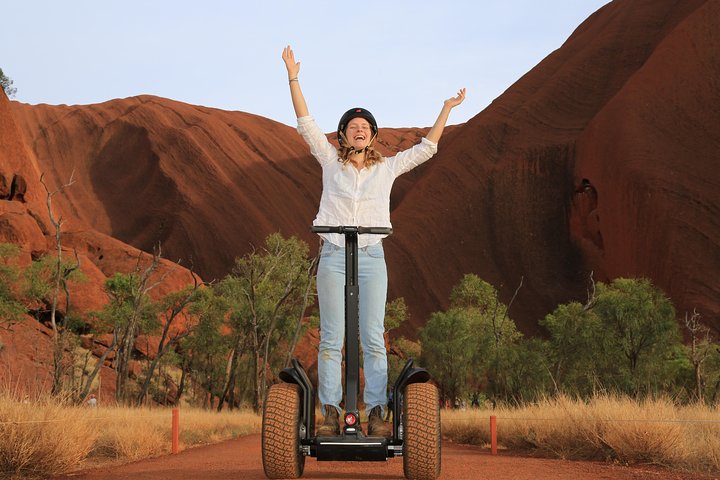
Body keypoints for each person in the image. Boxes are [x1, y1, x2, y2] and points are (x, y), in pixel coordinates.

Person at [282, 45, 465, 437]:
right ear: (345, 134)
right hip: (333, 253)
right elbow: (305, 124)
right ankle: (331, 413)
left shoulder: (388, 168)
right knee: (332, 337)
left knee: (373, 337)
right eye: (353, 126)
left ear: (373, 135)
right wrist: (293, 77)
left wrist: (446, 109)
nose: (359, 130)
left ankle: (378, 413)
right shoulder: (330, 161)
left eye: (365, 126)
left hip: (370, 255)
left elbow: (427, 149)